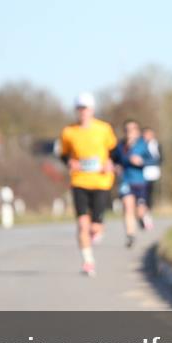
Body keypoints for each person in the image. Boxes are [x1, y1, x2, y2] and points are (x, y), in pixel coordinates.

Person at [59, 92, 118, 277]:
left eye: (86, 108)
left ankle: (97, 229)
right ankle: (88, 261)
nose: (83, 112)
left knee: (95, 227)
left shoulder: (104, 129)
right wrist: (70, 162)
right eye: (80, 108)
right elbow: (63, 155)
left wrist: (110, 163)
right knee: (82, 224)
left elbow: (114, 152)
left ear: (92, 110)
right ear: (76, 111)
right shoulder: (68, 132)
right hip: (79, 181)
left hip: (101, 181)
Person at [111, 119, 155, 248]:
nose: (129, 132)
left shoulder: (143, 144)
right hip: (126, 180)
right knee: (127, 207)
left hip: (140, 181)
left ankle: (142, 218)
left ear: (137, 131)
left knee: (140, 210)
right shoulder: (120, 146)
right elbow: (114, 159)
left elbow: (154, 160)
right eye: (127, 129)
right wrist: (116, 166)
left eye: (132, 129)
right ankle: (130, 235)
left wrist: (141, 161)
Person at [141, 127, 161, 226]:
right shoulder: (140, 144)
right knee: (142, 196)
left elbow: (159, 159)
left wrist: (145, 162)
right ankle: (142, 214)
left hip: (152, 174)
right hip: (140, 174)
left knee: (149, 195)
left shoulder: (156, 144)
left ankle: (148, 214)